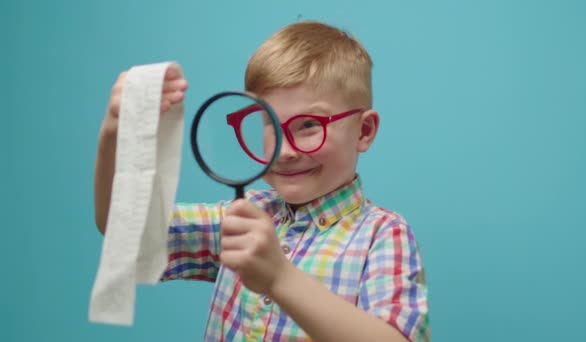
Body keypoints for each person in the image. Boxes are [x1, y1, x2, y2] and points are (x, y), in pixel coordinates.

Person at [94, 20, 430, 341]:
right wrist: (114, 136)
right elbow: (125, 228)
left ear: (365, 130)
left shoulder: (382, 235)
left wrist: (280, 278)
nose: (284, 152)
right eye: (270, 124)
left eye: (309, 125)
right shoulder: (245, 215)